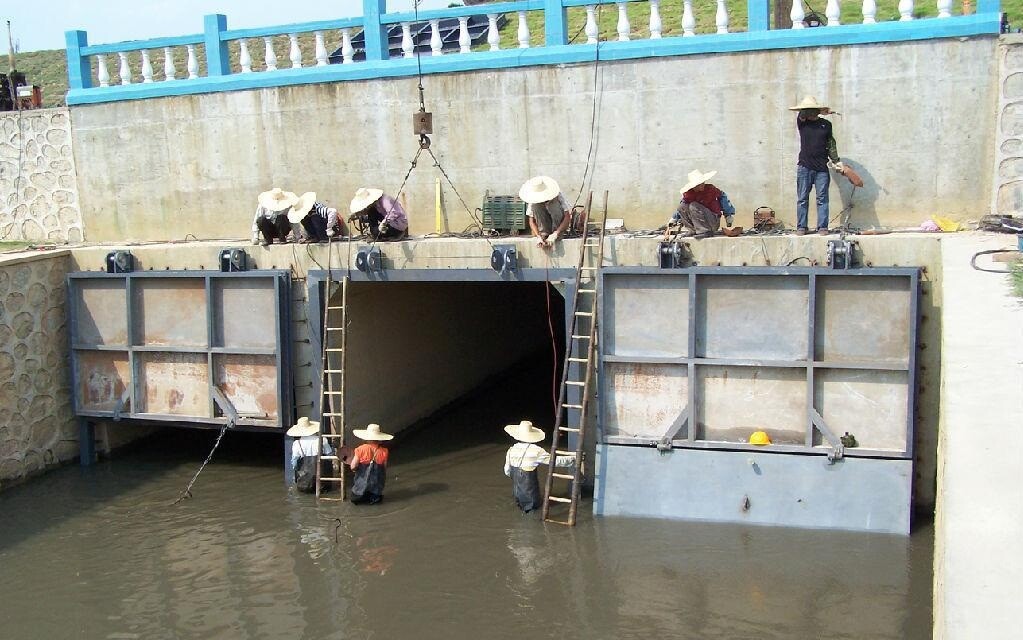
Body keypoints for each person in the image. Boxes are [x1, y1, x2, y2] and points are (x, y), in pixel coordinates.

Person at [790, 95, 843, 236]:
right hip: (804, 167)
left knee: (822, 199)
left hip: (821, 169)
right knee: (802, 199)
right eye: (808, 109)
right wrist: (819, 110)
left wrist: (836, 161)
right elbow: (802, 114)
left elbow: (831, 143)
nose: (809, 112)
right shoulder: (802, 123)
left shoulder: (826, 125)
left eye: (812, 109)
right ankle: (802, 227)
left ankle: (822, 227)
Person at [503, 420, 575, 513]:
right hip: (530, 494)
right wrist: (573, 458)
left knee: (522, 512)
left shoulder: (511, 450)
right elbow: (555, 461)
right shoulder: (536, 451)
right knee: (533, 512)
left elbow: (507, 471)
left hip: (517, 493)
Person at [668, 169, 736, 239]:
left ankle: (705, 231)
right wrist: (673, 219)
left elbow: (723, 198)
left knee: (693, 205)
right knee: (682, 206)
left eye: (702, 183)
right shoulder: (689, 194)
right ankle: (692, 230)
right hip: (697, 223)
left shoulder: (711, 189)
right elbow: (681, 207)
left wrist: (728, 215)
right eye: (699, 184)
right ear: (694, 186)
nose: (702, 185)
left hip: (712, 221)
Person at [287, 416, 334, 494]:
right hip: (322, 481)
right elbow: (330, 457)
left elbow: (294, 464)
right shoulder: (323, 440)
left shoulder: (297, 444)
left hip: (305, 482)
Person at [349, 423, 392, 505]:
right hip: (375, 492)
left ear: (367, 438)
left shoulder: (360, 449)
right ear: (379, 439)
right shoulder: (384, 451)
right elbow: (384, 468)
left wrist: (355, 470)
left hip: (360, 492)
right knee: (376, 497)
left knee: (355, 499)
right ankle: (375, 498)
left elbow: (353, 466)